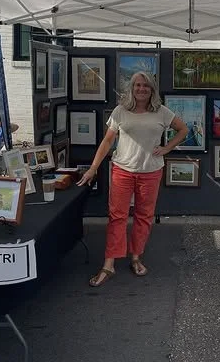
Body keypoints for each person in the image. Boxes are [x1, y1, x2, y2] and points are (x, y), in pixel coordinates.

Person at [77, 71, 187, 287]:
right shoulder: (120, 111)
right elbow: (107, 142)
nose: (141, 89)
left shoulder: (162, 112)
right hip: (122, 170)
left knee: (144, 216)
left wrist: (167, 148)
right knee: (117, 216)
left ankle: (136, 257)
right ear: (132, 88)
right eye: (137, 85)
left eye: (145, 86)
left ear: (152, 90)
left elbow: (183, 129)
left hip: (151, 171)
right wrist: (93, 168)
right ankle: (109, 265)